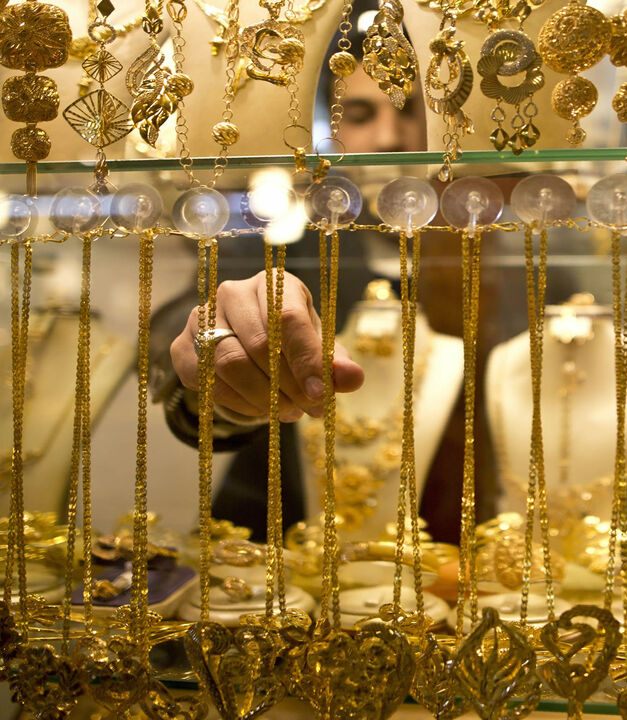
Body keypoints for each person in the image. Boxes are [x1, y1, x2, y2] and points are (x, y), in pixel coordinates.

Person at [153, 23, 431, 540]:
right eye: (363, 114)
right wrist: (217, 349)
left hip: (450, 537)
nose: (390, 136)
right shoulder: (282, 236)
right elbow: (179, 341)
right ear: (334, 124)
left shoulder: (502, 248)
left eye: (409, 109)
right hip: (275, 530)